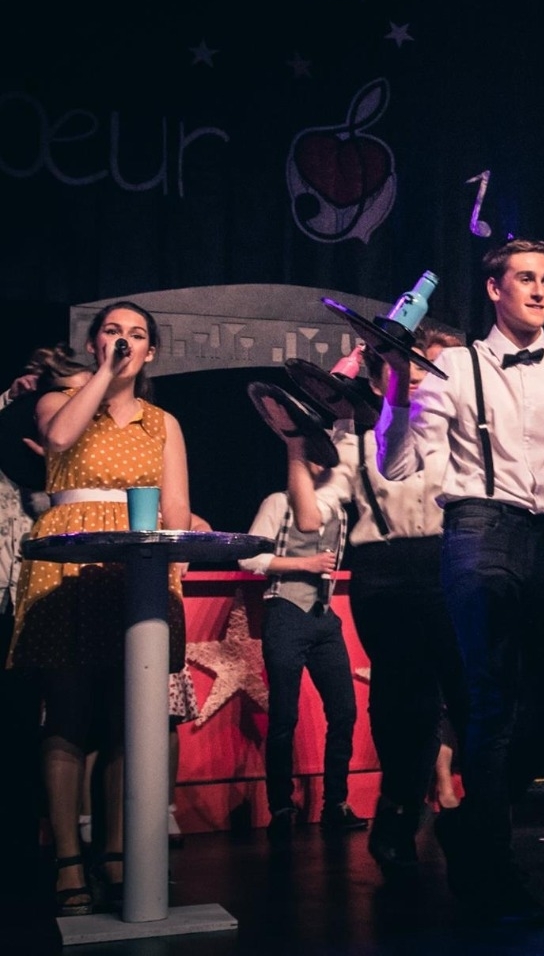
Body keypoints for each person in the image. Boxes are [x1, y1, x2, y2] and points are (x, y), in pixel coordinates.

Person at [375, 238, 544, 921]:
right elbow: (398, 463)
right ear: (494, 288)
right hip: (477, 529)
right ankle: (495, 865)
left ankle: (472, 823)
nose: (538, 290)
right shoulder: (454, 365)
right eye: (526, 278)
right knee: (492, 697)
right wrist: (397, 386)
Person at [7, 301, 194, 915]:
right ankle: (67, 857)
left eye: (137, 335)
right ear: (93, 344)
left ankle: (116, 852)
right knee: (66, 712)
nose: (124, 341)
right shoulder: (59, 403)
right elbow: (60, 439)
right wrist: (104, 378)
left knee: (127, 715)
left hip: (137, 566)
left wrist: (176, 568)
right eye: (113, 331)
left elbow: (175, 509)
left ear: (152, 352)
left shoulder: (162, 422)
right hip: (70, 559)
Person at [287, 328, 470, 874]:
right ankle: (398, 812)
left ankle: (482, 815)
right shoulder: (356, 442)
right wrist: (295, 446)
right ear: (376, 379)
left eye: (424, 368)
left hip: (451, 563)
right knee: (401, 702)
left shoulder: (459, 437)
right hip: (385, 575)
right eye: (399, 367)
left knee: (468, 695)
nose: (413, 376)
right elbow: (309, 518)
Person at [238, 469, 365, 841]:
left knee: (344, 712)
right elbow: (248, 558)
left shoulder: (337, 511)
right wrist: (302, 564)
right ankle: (281, 807)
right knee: (284, 716)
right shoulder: (279, 502)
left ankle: (335, 803)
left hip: (323, 618)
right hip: (285, 614)